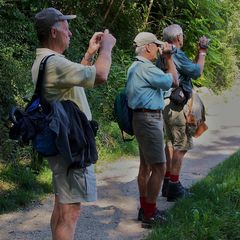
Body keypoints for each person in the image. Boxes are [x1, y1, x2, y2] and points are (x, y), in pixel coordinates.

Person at [33, 7, 116, 240]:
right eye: (65, 27)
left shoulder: (47, 61)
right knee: (69, 213)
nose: (69, 32)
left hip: (63, 143)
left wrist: (89, 54)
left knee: (62, 207)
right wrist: (107, 47)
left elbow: (73, 81)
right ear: (53, 32)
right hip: (71, 146)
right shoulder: (54, 63)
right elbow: (100, 75)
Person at [125, 32, 178, 227]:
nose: (158, 48)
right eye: (156, 45)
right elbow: (174, 81)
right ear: (147, 47)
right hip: (149, 119)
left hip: (140, 118)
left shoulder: (135, 67)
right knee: (159, 167)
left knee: (145, 166)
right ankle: (150, 215)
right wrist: (169, 57)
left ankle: (144, 209)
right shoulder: (145, 67)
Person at [160, 24, 209, 202]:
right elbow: (197, 72)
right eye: (183, 35)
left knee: (171, 143)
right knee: (181, 144)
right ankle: (174, 186)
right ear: (178, 37)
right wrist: (203, 51)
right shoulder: (175, 53)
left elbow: (189, 69)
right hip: (177, 105)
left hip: (167, 104)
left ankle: (167, 183)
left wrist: (197, 54)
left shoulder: (165, 51)